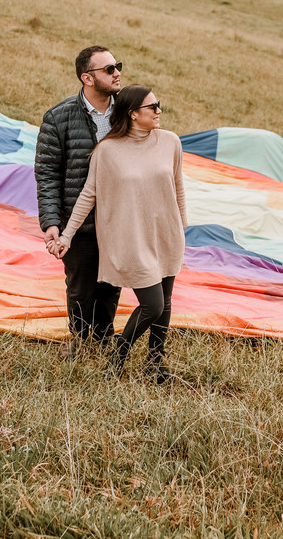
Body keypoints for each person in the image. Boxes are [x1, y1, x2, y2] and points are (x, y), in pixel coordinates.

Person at [52, 85, 187, 383]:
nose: (159, 111)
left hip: (166, 235)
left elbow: (178, 187)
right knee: (153, 305)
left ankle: (156, 364)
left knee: (165, 301)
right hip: (130, 240)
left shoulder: (170, 142)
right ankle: (118, 357)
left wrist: (181, 227)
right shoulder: (108, 150)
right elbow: (89, 194)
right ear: (133, 114)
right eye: (153, 106)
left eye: (158, 105)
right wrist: (67, 235)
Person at [35, 46, 123, 354]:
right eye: (109, 69)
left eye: (118, 66)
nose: (117, 73)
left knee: (111, 287)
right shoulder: (58, 118)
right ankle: (81, 341)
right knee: (81, 288)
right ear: (87, 78)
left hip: (119, 221)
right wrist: (50, 222)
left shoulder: (130, 113)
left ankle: (104, 341)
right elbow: (47, 175)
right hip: (78, 221)